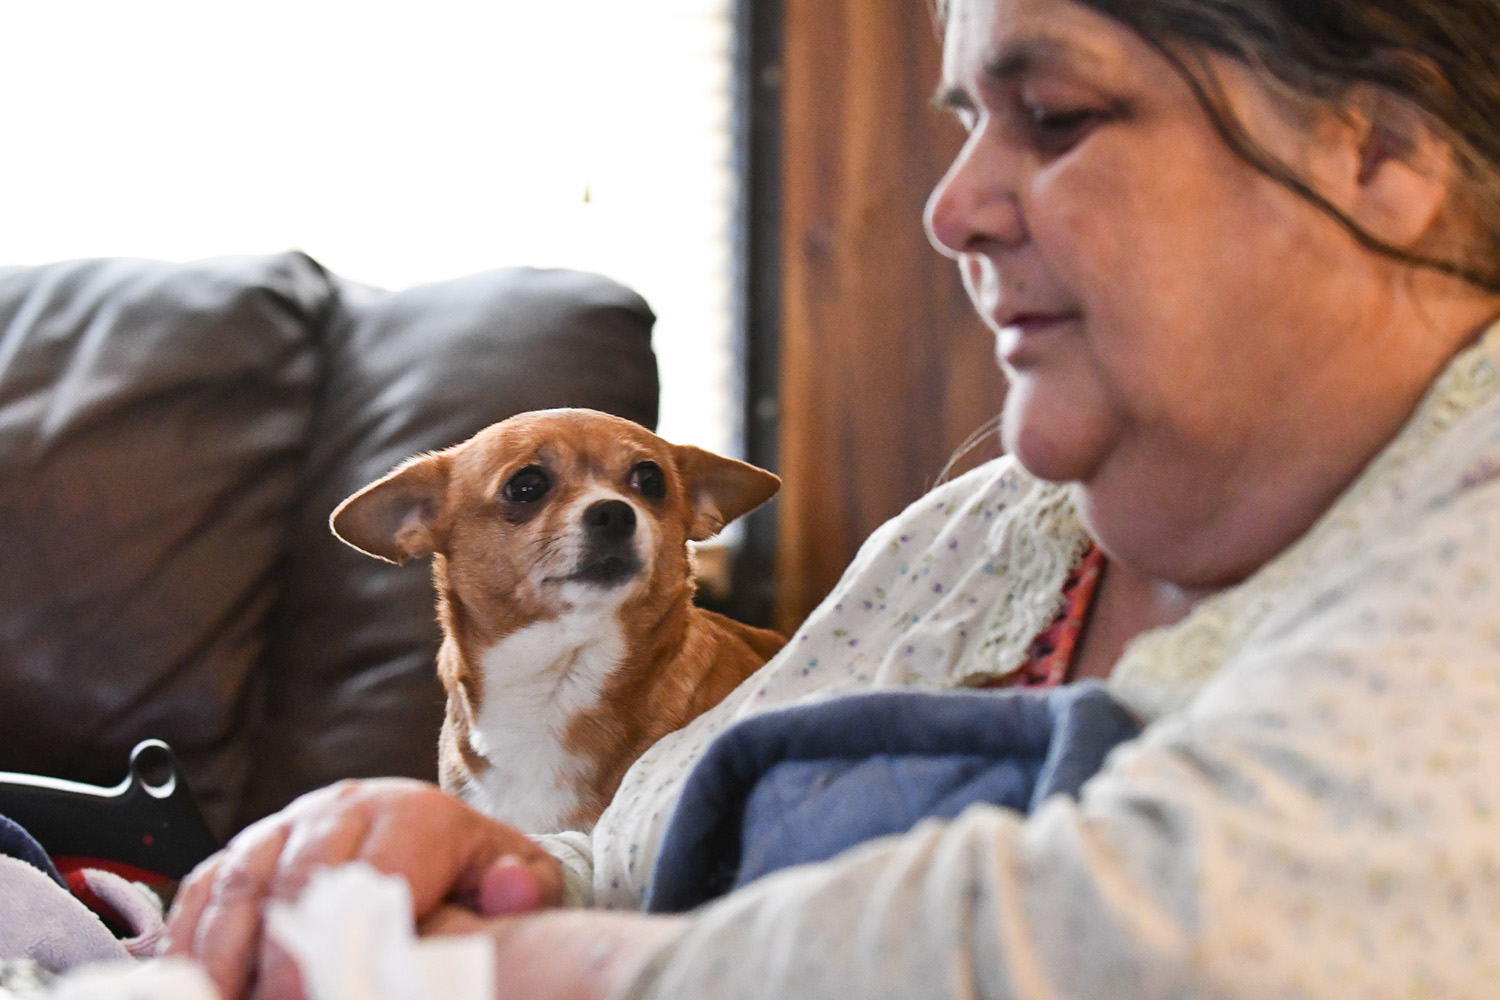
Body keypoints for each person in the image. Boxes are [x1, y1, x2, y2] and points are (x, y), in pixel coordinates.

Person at [163, 0, 1500, 995]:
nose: (951, 206)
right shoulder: (969, 536)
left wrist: (502, 971)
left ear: (1375, 149)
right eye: (967, 122)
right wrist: (466, 861)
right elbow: (637, 847)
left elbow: (1183, 933)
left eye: (1061, 116)